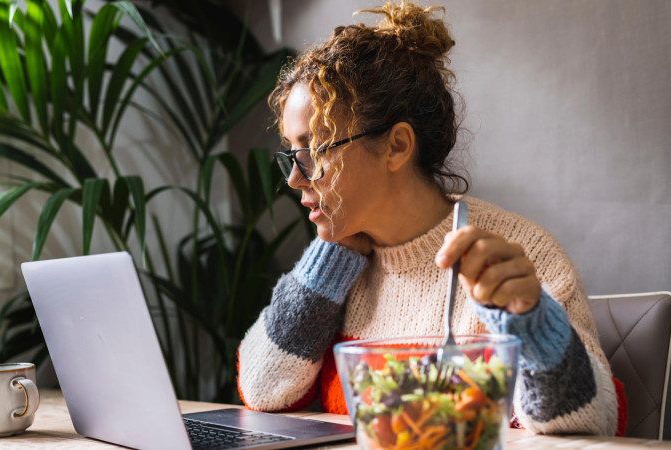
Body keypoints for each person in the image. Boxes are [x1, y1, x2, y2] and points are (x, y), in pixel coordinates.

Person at [236, 0, 620, 436]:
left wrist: (531, 321)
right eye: (291, 153)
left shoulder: (517, 258)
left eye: (314, 151)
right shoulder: (340, 261)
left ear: (397, 146)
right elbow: (262, 388)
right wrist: (330, 258)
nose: (292, 179)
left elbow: (591, 424)